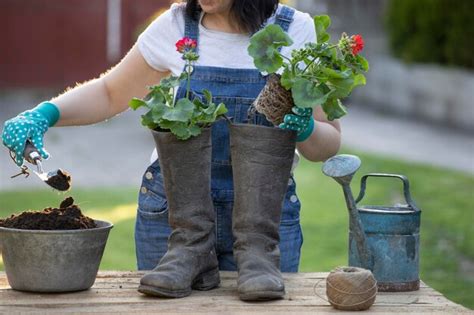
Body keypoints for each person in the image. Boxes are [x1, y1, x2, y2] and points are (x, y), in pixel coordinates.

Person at [2, 0, 341, 300]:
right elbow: (109, 93)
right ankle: (192, 250)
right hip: (173, 222)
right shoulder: (176, 26)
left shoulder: (296, 30)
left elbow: (328, 143)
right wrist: (45, 114)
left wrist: (307, 129)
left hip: (266, 227)